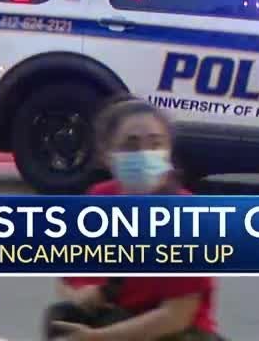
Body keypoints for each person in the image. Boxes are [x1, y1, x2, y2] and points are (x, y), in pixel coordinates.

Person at [47, 95, 222, 341]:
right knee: (62, 318)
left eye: (155, 144)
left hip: (178, 332)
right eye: (131, 145)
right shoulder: (99, 201)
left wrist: (100, 338)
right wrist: (80, 294)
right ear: (107, 155)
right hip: (122, 317)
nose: (145, 154)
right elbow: (67, 278)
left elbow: (177, 315)